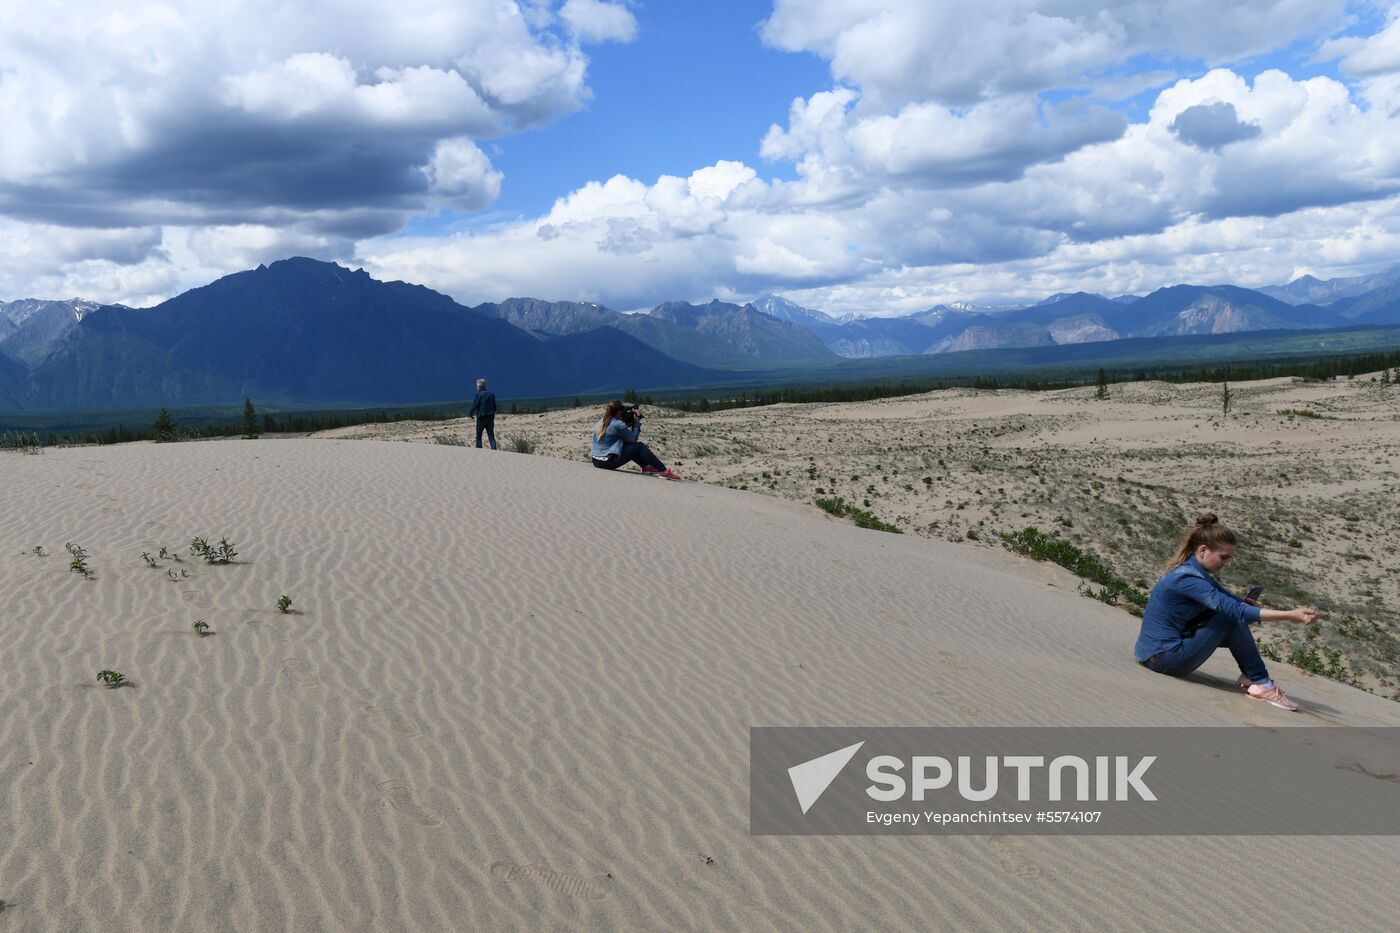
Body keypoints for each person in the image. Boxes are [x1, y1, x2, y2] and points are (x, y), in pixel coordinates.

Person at [1134, 513, 1319, 711]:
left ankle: (1251, 676)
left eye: (1229, 559)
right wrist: (1290, 615)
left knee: (1232, 618)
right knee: (1231, 618)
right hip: (1165, 659)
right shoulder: (1188, 579)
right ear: (1203, 550)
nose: (1226, 563)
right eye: (1223, 557)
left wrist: (1249, 606)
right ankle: (1262, 684)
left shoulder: (1191, 571)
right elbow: (1233, 610)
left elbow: (1229, 599)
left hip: (1153, 655)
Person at [590, 399, 679, 479]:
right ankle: (663, 471)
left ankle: (646, 467)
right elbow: (633, 439)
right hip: (606, 463)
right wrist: (636, 423)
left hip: (595, 460)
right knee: (639, 446)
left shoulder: (601, 421)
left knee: (631, 448)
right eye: (621, 409)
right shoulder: (617, 424)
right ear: (618, 412)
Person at [468, 378, 497, 450]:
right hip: (490, 417)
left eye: (477, 385)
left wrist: (470, 414)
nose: (476, 387)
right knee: (491, 435)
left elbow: (474, 405)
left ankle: (479, 450)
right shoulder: (491, 394)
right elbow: (495, 407)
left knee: (479, 435)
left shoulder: (478, 394)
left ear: (479, 386)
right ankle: (494, 450)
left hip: (481, 417)